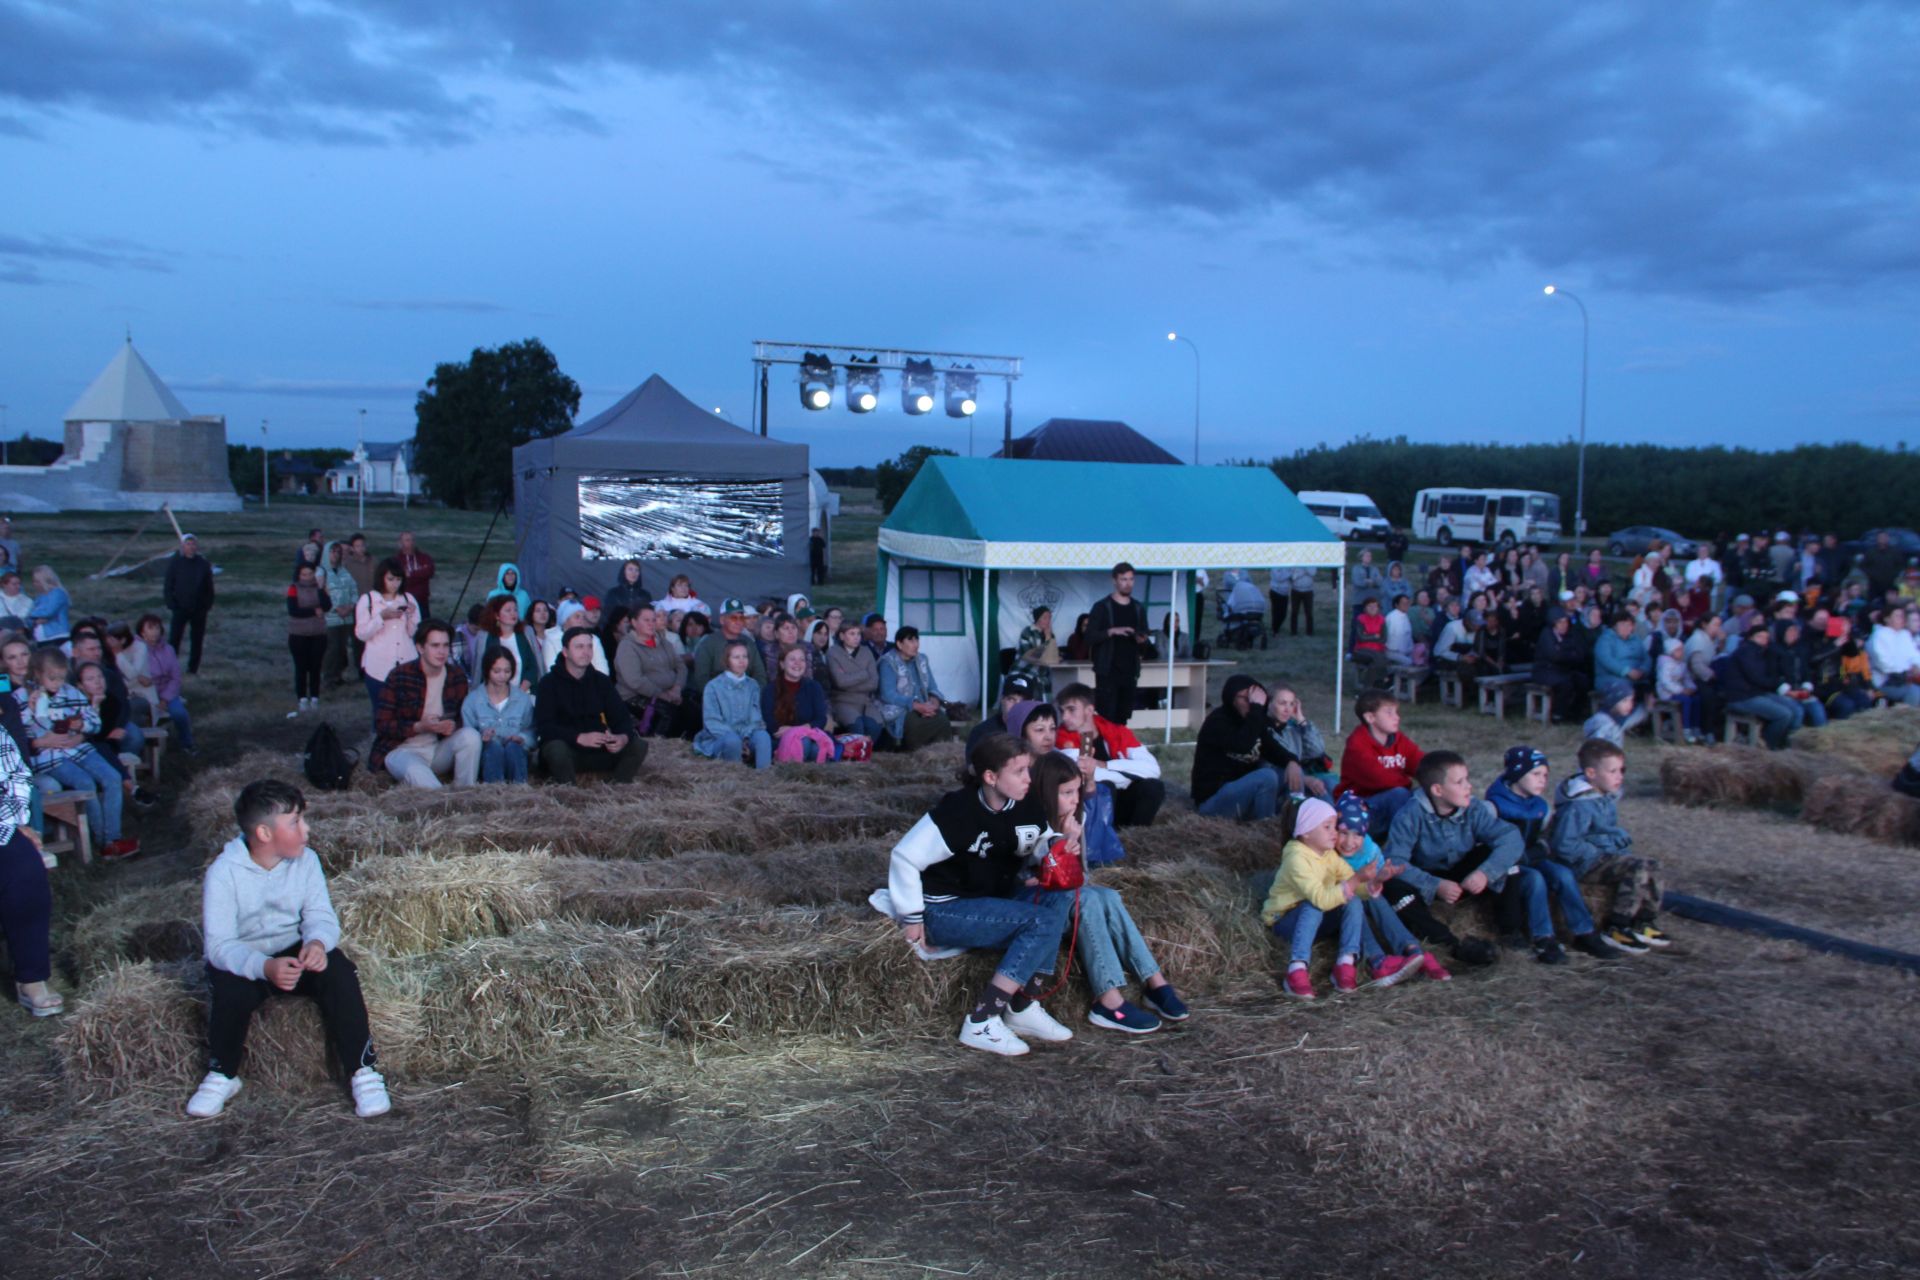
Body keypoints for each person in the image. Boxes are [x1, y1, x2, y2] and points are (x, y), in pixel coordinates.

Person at [187, 780, 389, 1119]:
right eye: (295, 822)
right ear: (265, 834)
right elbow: (220, 946)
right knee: (228, 989)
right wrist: (264, 967)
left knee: (339, 972)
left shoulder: (307, 861)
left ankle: (363, 1070)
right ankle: (223, 1073)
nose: (306, 829)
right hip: (247, 958)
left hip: (294, 951)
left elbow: (320, 915)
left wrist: (316, 943)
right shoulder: (223, 873)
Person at [877, 735, 1074, 1056]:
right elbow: (905, 856)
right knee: (1042, 921)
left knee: (1060, 898)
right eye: (1020, 771)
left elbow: (1040, 841)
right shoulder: (959, 810)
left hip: (993, 900)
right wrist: (911, 916)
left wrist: (1058, 848)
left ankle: (1024, 1007)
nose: (1029, 779)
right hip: (945, 907)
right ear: (991, 777)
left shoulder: (1027, 804)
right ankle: (982, 1019)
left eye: (1029, 769)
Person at [1028, 750, 1186, 1031]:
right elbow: (1042, 878)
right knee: (1088, 900)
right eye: (1066, 793)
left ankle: (1154, 981)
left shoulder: (1074, 821)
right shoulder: (1033, 828)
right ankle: (1108, 1001)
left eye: (1076, 791)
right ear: (1045, 793)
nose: (1075, 800)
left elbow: (1082, 874)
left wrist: (1073, 838)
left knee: (1108, 895)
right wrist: (1064, 842)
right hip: (1041, 907)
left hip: (1064, 895)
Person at [1377, 752, 1518, 968]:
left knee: (1507, 861)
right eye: (1460, 782)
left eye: (1467, 779)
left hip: (1463, 875)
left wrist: (1484, 873)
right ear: (1437, 790)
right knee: (1391, 885)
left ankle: (1511, 932)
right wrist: (1435, 885)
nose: (1469, 786)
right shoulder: (1409, 815)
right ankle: (1450, 943)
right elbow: (1395, 860)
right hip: (1426, 879)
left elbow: (1510, 837)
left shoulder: (1474, 808)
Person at [1484, 747, 1621, 960]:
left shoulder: (1541, 806)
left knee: (1563, 874)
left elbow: (1546, 839)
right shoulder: (1494, 806)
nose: (1542, 780)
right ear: (1517, 774)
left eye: (1546, 775)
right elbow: (1485, 844)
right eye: (1536, 774)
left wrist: (1539, 849)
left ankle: (1584, 932)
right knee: (1536, 880)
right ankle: (1543, 938)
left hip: (1532, 857)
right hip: (1509, 865)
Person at [1549, 739, 1669, 953]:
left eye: (1621, 770)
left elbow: (1606, 830)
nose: (1619, 776)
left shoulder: (1604, 798)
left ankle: (1643, 920)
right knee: (1636, 867)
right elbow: (1563, 845)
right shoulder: (1578, 805)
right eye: (1612, 771)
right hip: (1584, 864)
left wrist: (1617, 841)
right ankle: (1616, 926)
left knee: (1654, 865)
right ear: (1591, 773)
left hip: (1603, 857)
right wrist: (1600, 850)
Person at [1261, 799, 1388, 999]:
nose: (1334, 833)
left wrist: (1370, 885)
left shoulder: (1329, 854)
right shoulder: (1296, 858)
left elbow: (1348, 881)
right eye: (1327, 827)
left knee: (1352, 899)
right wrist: (1355, 880)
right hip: (1285, 923)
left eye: (1334, 827)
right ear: (1306, 832)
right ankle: (1297, 969)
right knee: (1313, 904)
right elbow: (1321, 898)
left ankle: (1345, 964)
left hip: (1315, 923)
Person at [23, 648, 136, 857]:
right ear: (37, 673)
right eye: (52, 678)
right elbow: (26, 731)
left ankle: (112, 837)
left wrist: (81, 725)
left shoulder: (71, 693)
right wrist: (33, 710)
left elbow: (94, 723)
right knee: (85, 783)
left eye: (61, 678)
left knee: (112, 777)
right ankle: (102, 840)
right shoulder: (24, 697)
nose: (57, 683)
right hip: (51, 756)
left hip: (79, 748)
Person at [371, 621, 480, 789]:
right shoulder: (399, 676)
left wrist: (451, 727)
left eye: (445, 645)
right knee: (417, 772)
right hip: (402, 750)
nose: (442, 651)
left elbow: (461, 717)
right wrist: (419, 727)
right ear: (420, 648)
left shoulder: (455, 676)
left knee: (471, 736)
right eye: (435, 645)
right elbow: (382, 725)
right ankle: (443, 801)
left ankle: (465, 792)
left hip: (437, 748)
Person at [536, 628, 648, 784]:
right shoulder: (548, 683)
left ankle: (618, 787)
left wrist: (621, 737)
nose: (586, 652)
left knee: (638, 745)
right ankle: (568, 790)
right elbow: (544, 726)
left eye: (589, 646)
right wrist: (578, 738)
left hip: (598, 748)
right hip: (568, 749)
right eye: (579, 647)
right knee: (556, 748)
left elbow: (621, 717)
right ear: (565, 652)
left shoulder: (601, 681)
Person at [1053, 682, 1164, 827]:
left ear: (1089, 710)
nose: (1065, 717)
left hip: (1122, 801)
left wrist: (1105, 765)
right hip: (1091, 806)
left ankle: (1136, 834)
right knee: (1105, 786)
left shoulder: (1116, 732)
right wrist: (1129, 775)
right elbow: (1084, 775)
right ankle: (1104, 834)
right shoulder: (1062, 738)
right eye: (1062, 711)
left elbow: (1153, 769)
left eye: (1071, 710)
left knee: (1153, 786)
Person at [1189, 674, 1280, 821]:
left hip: (1242, 796)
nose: (1250, 704)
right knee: (1267, 776)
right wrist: (1256, 709)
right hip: (1213, 801)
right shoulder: (1218, 721)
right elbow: (1242, 745)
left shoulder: (1256, 721)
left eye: (1253, 700)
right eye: (1244, 699)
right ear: (1231, 698)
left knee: (1287, 773)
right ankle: (1265, 827)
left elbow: (1275, 751)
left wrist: (1293, 763)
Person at [1336, 689, 1423, 837]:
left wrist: (1436, 778)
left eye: (1396, 712)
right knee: (1400, 794)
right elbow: (1379, 779)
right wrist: (1409, 784)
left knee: (1425, 793)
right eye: (1389, 713)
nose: (1397, 717)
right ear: (1370, 717)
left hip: (1391, 802)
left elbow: (1420, 763)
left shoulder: (1398, 739)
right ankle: (1404, 844)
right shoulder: (1357, 744)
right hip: (1358, 810)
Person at [1721, 617, 1804, 748]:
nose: (1764, 640)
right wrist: (1778, 684)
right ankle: (1769, 745)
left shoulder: (1762, 652)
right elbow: (1756, 677)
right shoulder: (1745, 652)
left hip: (1757, 693)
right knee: (1784, 714)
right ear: (1751, 637)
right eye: (1760, 637)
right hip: (1743, 697)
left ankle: (1785, 744)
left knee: (1795, 709)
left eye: (1766, 637)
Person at [1087, 562, 1151, 725]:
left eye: (1131, 579)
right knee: (1106, 716)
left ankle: (1118, 748)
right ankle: (1105, 749)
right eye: (1124, 579)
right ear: (1114, 581)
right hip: (1108, 671)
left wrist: (1141, 640)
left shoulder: (1138, 608)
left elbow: (1144, 635)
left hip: (1129, 670)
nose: (1128, 583)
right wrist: (1112, 631)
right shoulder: (1102, 607)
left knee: (1123, 717)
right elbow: (1089, 637)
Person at [355, 558, 421, 717]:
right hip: (378, 665)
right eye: (390, 579)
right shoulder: (368, 600)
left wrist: (411, 615)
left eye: (398, 579)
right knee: (381, 710)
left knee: (406, 709)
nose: (394, 584)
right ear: (381, 577)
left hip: (406, 661)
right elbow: (361, 633)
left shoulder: (408, 598)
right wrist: (381, 618)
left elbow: (413, 633)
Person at [694, 638, 772, 768]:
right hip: (720, 737)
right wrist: (739, 740)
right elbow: (712, 722)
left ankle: (763, 778)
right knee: (732, 741)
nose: (742, 661)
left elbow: (756, 717)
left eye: (745, 657)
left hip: (747, 736)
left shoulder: (753, 685)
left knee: (763, 736)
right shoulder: (713, 686)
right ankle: (735, 776)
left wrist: (746, 738)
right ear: (727, 660)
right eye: (736, 657)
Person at [461, 648, 534, 783]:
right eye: (496, 671)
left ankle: (519, 792)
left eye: (507, 671)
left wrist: (522, 738)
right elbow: (467, 735)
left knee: (513, 748)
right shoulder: (473, 700)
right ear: (487, 670)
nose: (502, 676)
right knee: (493, 748)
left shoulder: (522, 699)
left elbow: (531, 731)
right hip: (487, 756)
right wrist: (482, 738)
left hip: (516, 754)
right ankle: (494, 792)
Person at [877, 627, 954, 751]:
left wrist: (934, 702)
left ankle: (941, 755)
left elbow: (932, 687)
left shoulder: (922, 659)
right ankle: (916, 755)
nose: (916, 644)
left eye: (916, 640)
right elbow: (888, 694)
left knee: (942, 719)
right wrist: (915, 705)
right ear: (899, 644)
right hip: (902, 707)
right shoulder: (888, 662)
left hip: (925, 705)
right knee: (914, 722)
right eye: (910, 640)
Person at [614, 605, 685, 736]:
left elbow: (681, 666)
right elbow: (635, 681)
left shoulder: (664, 643)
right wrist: (662, 695)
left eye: (653, 620)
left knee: (694, 706)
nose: (651, 624)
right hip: (635, 697)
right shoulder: (627, 646)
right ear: (634, 622)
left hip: (670, 692)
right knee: (669, 714)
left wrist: (677, 688)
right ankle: (662, 748)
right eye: (646, 620)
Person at [763, 643, 836, 762]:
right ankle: (793, 776)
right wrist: (792, 734)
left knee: (816, 748)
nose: (798, 663)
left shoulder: (814, 687)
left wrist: (797, 730)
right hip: (780, 740)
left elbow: (820, 719)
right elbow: (769, 722)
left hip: (810, 735)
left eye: (802, 660)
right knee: (804, 743)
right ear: (782, 664)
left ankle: (810, 778)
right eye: (792, 659)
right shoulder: (770, 690)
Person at [1263, 684, 1337, 799]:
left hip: (1301, 777)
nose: (1287, 709)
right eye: (1282, 703)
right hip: (1278, 784)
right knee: (1318, 789)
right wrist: (1305, 779)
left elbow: (1317, 751)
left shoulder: (1293, 728)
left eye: (1291, 704)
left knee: (1331, 783)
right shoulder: (1261, 729)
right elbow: (1267, 769)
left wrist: (1301, 719)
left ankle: (1341, 815)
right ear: (1268, 703)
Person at [135, 614, 194, 752]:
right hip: (146, 693)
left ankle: (187, 744)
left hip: (167, 691)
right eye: (150, 628)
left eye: (157, 627)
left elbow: (175, 677)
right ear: (142, 631)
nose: (155, 631)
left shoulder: (168, 649)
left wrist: (166, 698)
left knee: (179, 713)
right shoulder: (136, 650)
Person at [691, 598, 767, 703]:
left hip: (747, 699)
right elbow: (701, 678)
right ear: (722, 620)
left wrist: (752, 694)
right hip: (717, 701)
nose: (738, 622)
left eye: (741, 618)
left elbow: (760, 674)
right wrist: (720, 697)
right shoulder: (708, 643)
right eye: (733, 618)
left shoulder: (749, 642)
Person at [159, 537, 215, 672]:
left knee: (197, 640)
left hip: (199, 609)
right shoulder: (175, 563)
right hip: (180, 608)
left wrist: (206, 605)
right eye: (188, 544)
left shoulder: (203, 564)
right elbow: (168, 585)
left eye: (193, 544)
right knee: (175, 639)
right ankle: (171, 667)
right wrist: (172, 604)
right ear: (183, 546)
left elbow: (209, 587)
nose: (191, 547)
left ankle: (193, 668)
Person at [285, 563, 331, 716]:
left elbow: (327, 605)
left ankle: (315, 698)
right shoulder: (293, 588)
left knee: (316, 666)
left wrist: (320, 593)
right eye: (304, 574)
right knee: (301, 667)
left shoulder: (319, 588)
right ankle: (302, 698)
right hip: (298, 633)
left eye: (309, 574)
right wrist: (314, 610)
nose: (307, 577)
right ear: (299, 575)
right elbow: (293, 610)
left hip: (318, 633)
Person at [318, 541, 360, 690]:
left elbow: (354, 591)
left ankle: (338, 676)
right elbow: (321, 595)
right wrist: (336, 609)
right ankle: (328, 677)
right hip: (331, 618)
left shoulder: (345, 572)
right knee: (332, 649)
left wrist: (351, 606)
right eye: (332, 551)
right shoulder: (321, 572)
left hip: (347, 618)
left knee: (342, 649)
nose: (335, 555)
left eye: (337, 552)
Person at [968, 672, 1040, 757]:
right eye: (1011, 699)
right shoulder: (983, 733)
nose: (1017, 706)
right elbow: (973, 767)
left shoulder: (1038, 732)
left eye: (1023, 701)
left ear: (1032, 703)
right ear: (1002, 700)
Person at [1867, 606, 1920, 706]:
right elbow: (1884, 665)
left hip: (1904, 680)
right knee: (1915, 693)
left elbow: (1914, 656)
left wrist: (1916, 665)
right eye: (1897, 616)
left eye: (1902, 616)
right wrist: (1908, 668)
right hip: (1885, 682)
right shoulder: (1879, 636)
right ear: (1887, 618)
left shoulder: (1905, 634)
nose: (1901, 619)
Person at [1655, 636, 1705, 743]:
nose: (1681, 652)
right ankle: (1685, 729)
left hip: (1679, 689)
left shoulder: (1681, 663)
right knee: (1686, 700)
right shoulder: (1665, 663)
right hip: (1667, 693)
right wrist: (1681, 690)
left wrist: (1691, 688)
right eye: (1678, 650)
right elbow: (1665, 682)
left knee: (1696, 699)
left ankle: (1695, 727)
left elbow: (1686, 678)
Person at [1010, 606, 1059, 702]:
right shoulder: (1027, 632)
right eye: (1045, 617)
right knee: (1034, 686)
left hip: (1042, 674)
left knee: (1051, 685)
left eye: (1049, 618)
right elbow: (1029, 656)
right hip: (1025, 671)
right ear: (1037, 619)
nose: (1048, 620)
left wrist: (1049, 638)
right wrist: (1047, 644)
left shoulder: (1050, 634)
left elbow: (1052, 655)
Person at [28, 565, 72, 649]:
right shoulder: (39, 597)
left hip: (57, 635)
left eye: (37, 581)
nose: (34, 584)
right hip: (41, 638)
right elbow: (30, 617)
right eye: (33, 581)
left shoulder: (58, 593)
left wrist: (33, 615)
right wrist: (34, 619)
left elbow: (48, 612)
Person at [396, 532, 435, 618]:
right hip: (404, 600)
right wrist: (420, 575)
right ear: (400, 542)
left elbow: (429, 572)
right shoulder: (396, 560)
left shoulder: (424, 558)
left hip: (422, 600)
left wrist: (411, 574)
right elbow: (400, 577)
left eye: (413, 540)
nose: (411, 543)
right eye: (407, 540)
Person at [0, 570, 31, 634]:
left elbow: (23, 617)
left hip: (19, 631)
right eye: (14, 584)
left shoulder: (26, 600)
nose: (18, 587)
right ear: (4, 585)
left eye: (19, 584)